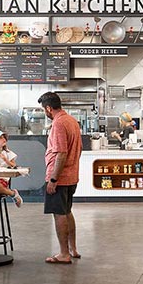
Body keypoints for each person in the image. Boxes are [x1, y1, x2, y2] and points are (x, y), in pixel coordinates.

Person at [40, 92, 82, 265]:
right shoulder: (72, 121)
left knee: (59, 214)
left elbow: (61, 154)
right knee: (67, 211)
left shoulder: (58, 124)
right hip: (71, 176)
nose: (45, 113)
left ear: (49, 108)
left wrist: (53, 179)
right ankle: (72, 248)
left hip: (60, 178)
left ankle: (64, 254)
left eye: (44, 109)